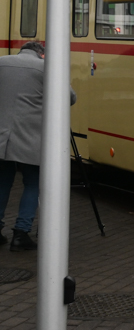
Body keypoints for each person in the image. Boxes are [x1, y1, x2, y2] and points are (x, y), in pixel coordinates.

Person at [0, 41, 77, 251]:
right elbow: (70, 98)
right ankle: (20, 234)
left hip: (1, 138)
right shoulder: (46, 68)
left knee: (3, 182)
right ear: (41, 54)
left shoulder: (2, 63)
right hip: (30, 139)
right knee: (33, 184)